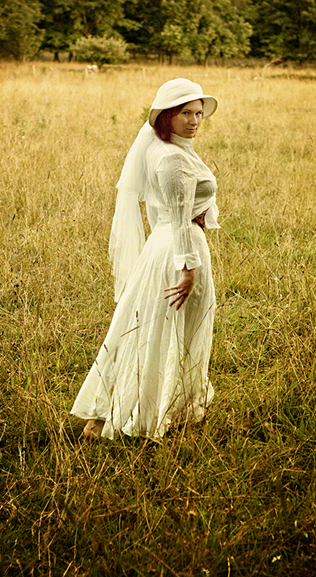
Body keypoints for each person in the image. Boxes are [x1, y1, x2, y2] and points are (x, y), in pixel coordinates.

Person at [71, 78, 219, 440]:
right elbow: (179, 217)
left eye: (199, 113)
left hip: (163, 246)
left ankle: (130, 409)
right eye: (186, 113)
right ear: (167, 115)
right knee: (162, 330)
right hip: (176, 253)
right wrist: (188, 270)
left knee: (150, 327)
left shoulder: (165, 146)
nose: (195, 120)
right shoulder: (171, 158)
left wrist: (200, 213)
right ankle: (140, 412)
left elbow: (175, 207)